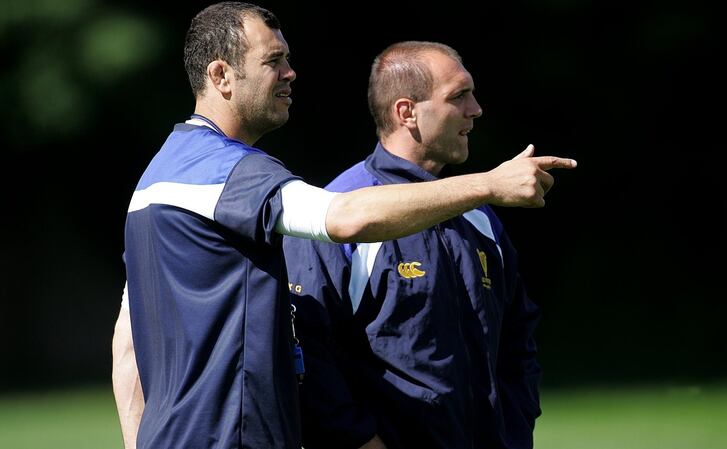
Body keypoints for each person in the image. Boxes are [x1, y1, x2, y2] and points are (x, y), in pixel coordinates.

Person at [112, 3, 576, 449]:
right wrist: (489, 184)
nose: (291, 73)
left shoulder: (156, 178)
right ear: (221, 76)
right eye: (274, 60)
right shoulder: (228, 172)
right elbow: (347, 218)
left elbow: (129, 343)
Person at [283, 41, 554, 449]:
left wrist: (513, 431)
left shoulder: (481, 218)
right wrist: (360, 440)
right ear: (407, 112)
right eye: (459, 96)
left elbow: (518, 344)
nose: (476, 109)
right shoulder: (341, 212)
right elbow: (304, 350)